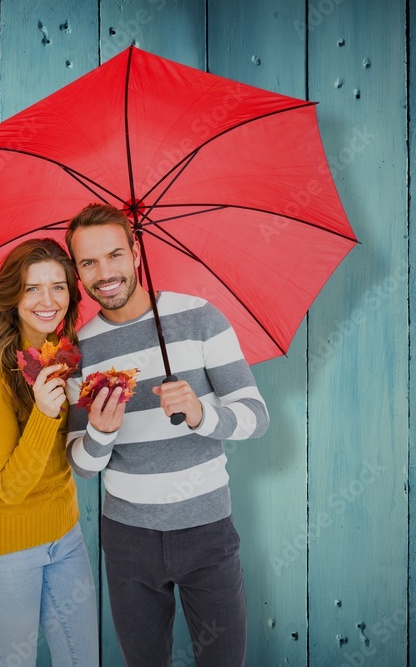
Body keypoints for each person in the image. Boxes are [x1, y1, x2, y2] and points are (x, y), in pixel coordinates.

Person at [64, 203, 270, 666]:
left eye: (115, 254)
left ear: (136, 251)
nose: (105, 273)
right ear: (77, 271)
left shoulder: (198, 317)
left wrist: (201, 414)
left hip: (207, 531)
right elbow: (81, 465)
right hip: (127, 541)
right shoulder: (79, 351)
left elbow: (257, 416)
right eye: (89, 263)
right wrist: (99, 432)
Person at [0, 238, 99, 667]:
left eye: (58, 286)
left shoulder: (63, 357)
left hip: (66, 539)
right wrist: (42, 412)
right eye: (32, 288)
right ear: (11, 296)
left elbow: (72, 455)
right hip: (5, 550)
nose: (47, 300)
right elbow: (11, 487)